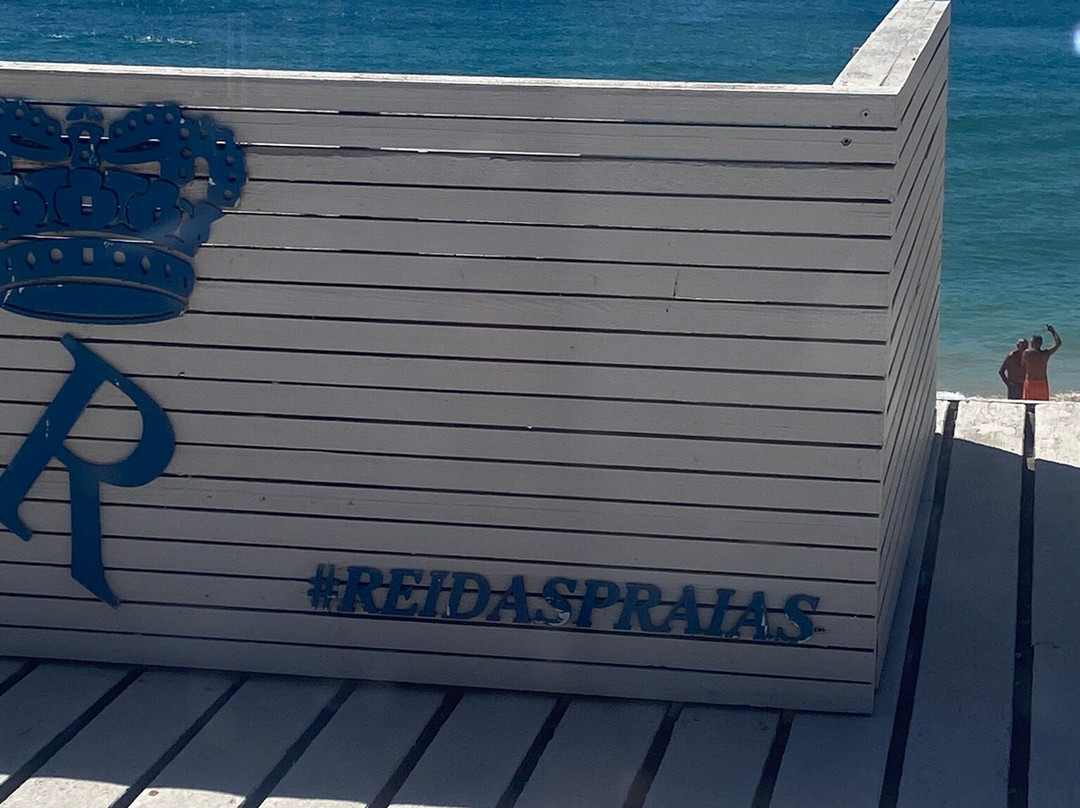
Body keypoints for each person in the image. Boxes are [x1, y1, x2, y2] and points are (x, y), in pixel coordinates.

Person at [1021, 324, 1062, 401]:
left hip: (1031, 381)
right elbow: (1058, 343)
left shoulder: (1027, 353)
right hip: (1042, 382)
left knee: (1029, 404)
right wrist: (1053, 332)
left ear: (1033, 343)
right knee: (1042, 403)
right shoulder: (1045, 354)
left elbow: (1023, 365)